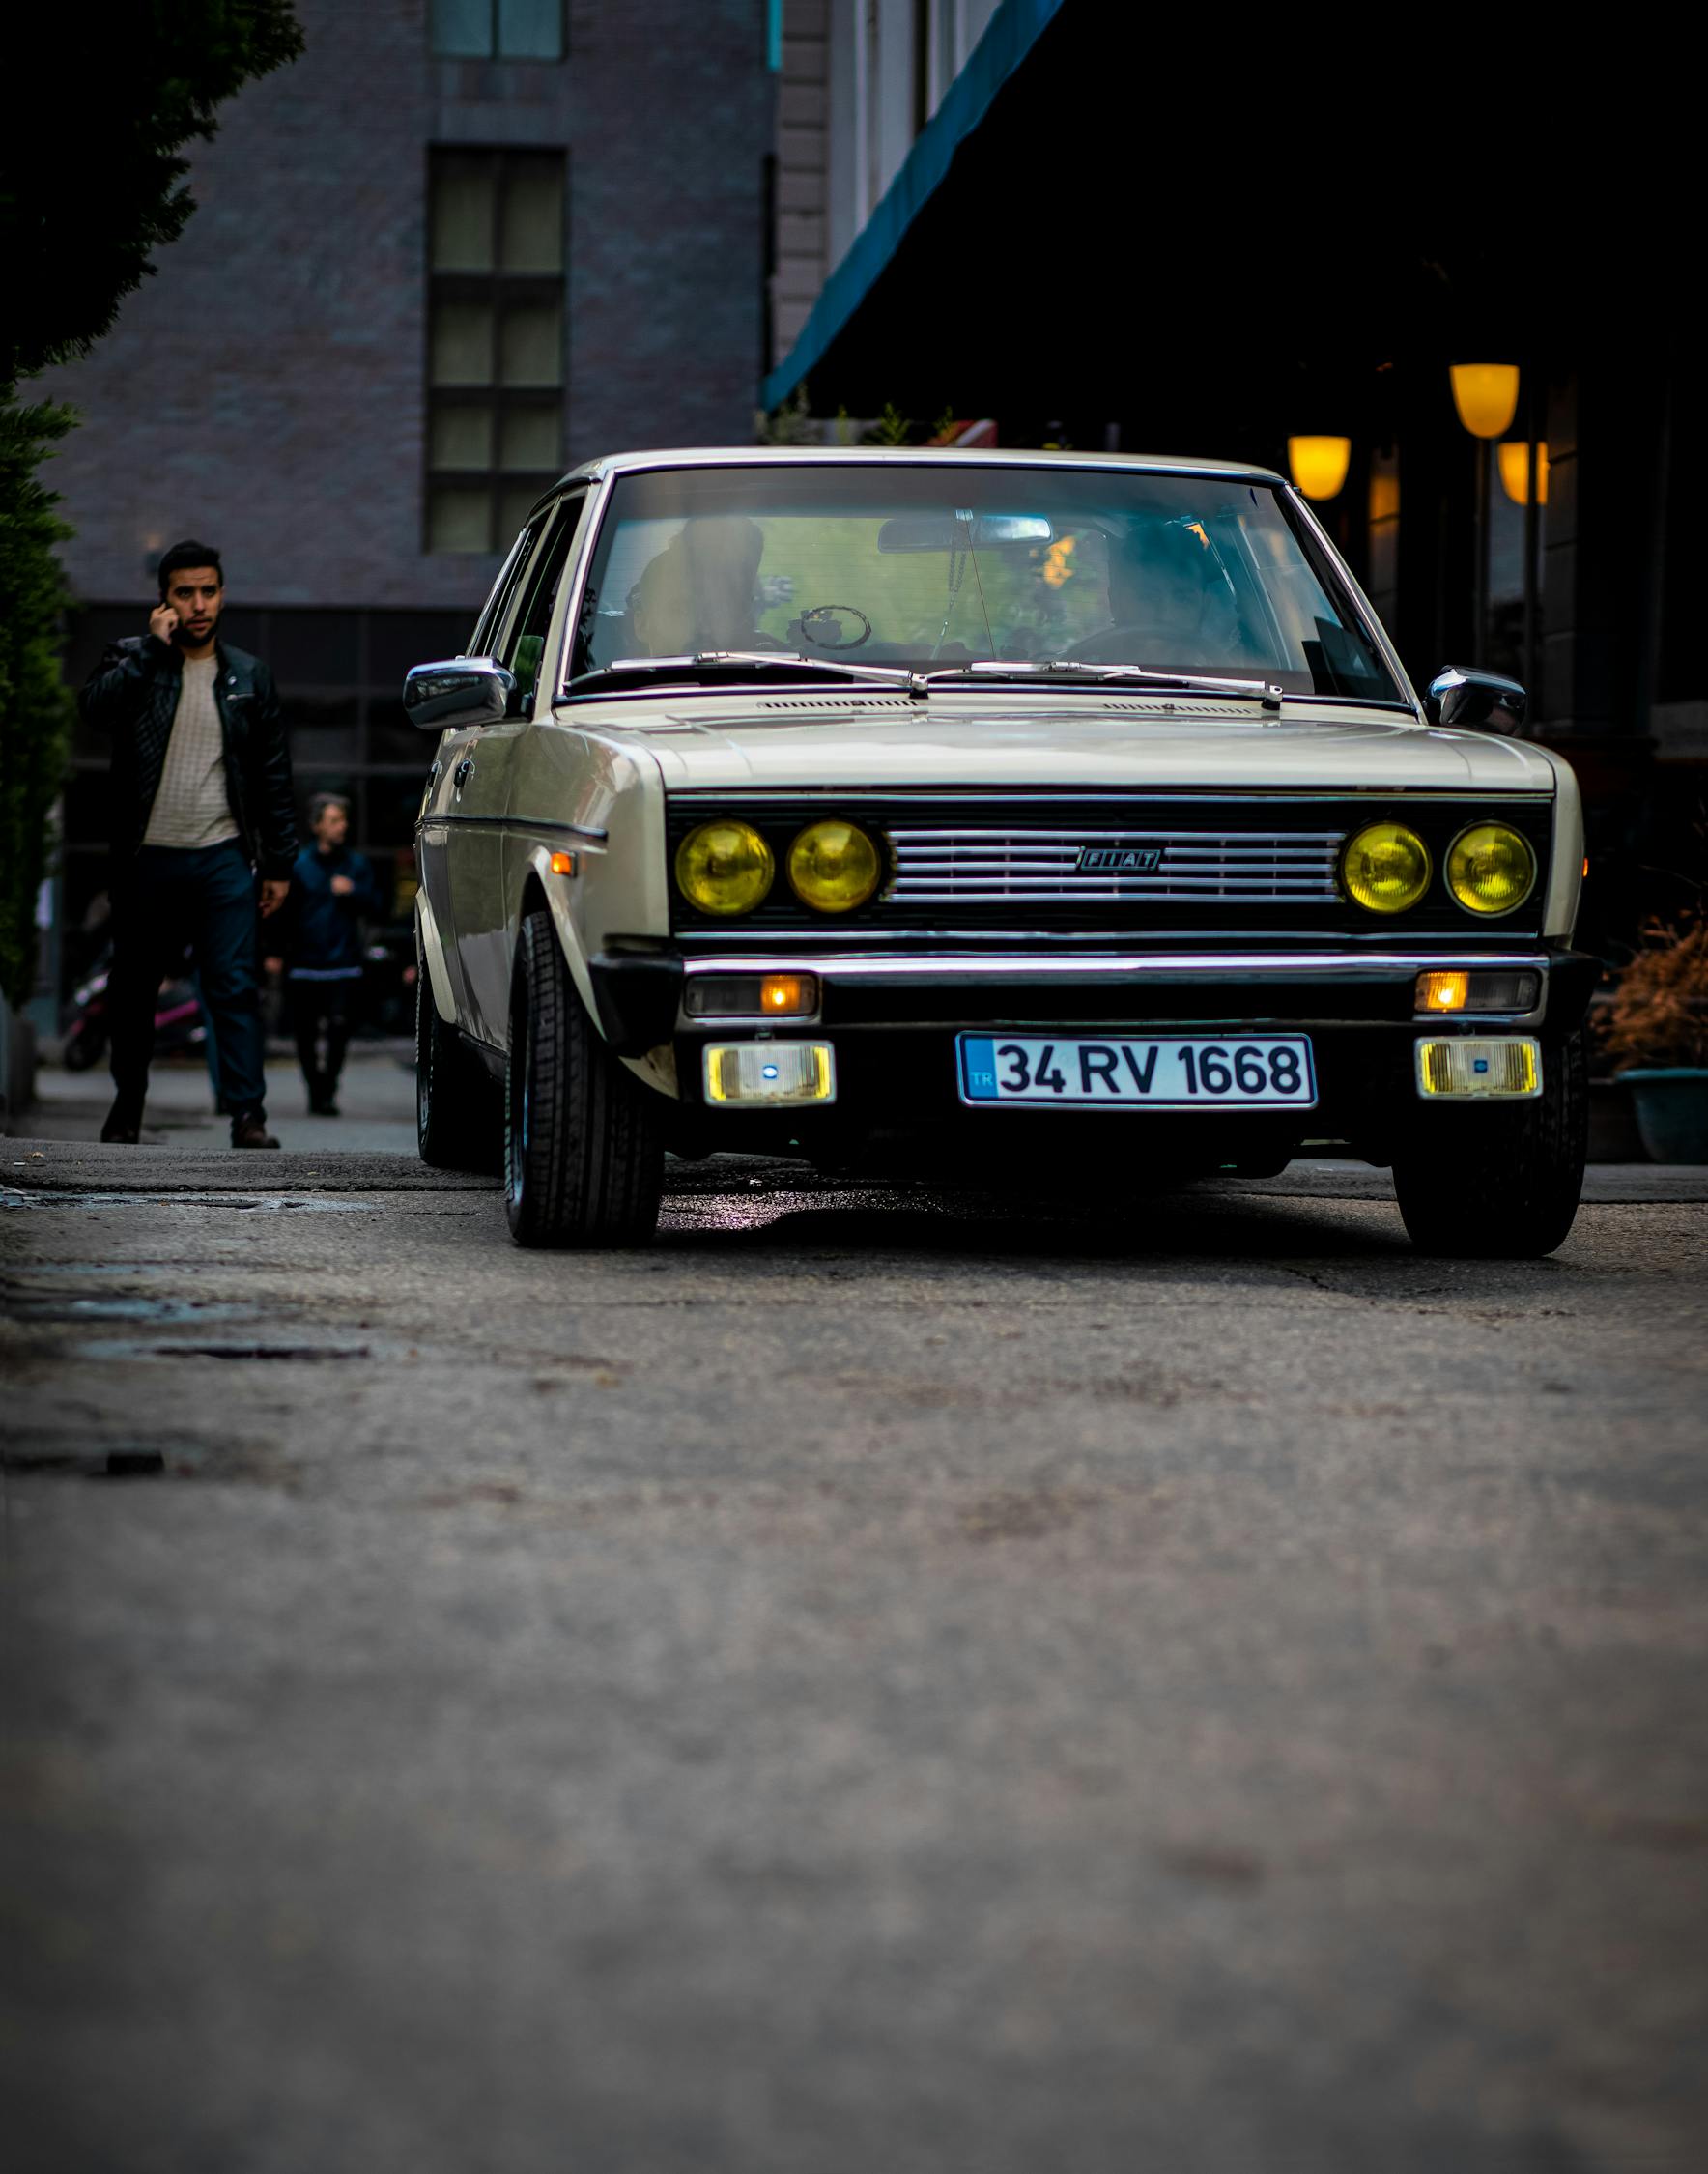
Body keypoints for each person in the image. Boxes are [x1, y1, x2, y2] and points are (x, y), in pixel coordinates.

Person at [79, 538, 298, 1148]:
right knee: (134, 989)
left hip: (222, 855)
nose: (198, 604)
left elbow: (274, 777)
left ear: (222, 595)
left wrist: (279, 863)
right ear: (164, 601)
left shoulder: (249, 676)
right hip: (147, 858)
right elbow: (95, 711)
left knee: (233, 984)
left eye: (208, 591)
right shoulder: (133, 658)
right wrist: (153, 649)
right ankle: (127, 1107)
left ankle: (248, 1117)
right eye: (185, 593)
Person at [280, 793, 384, 1116]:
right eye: (335, 820)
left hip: (343, 964)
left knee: (339, 1029)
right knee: (306, 1034)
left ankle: (329, 1087)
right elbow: (284, 915)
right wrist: (275, 954)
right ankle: (315, 1088)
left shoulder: (356, 865)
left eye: (344, 820)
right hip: (304, 964)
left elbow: (378, 906)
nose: (343, 826)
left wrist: (353, 891)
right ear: (317, 826)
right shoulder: (299, 866)